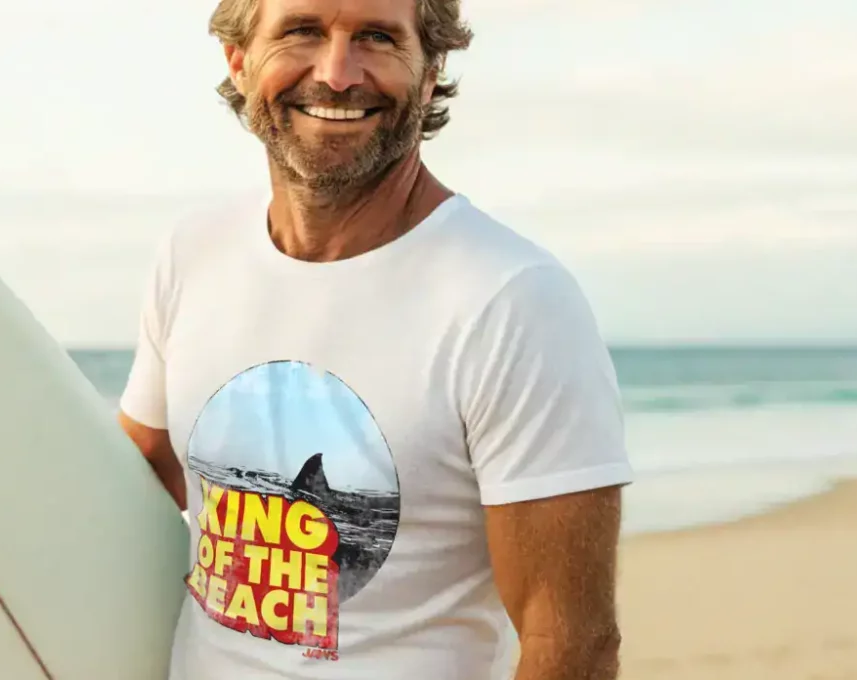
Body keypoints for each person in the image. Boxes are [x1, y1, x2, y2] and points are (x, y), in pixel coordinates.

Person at [115, 0, 635, 678]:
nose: (336, 74)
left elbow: (571, 646)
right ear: (238, 60)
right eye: (302, 31)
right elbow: (140, 479)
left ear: (429, 72)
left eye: (377, 38)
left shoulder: (511, 300)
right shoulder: (193, 254)